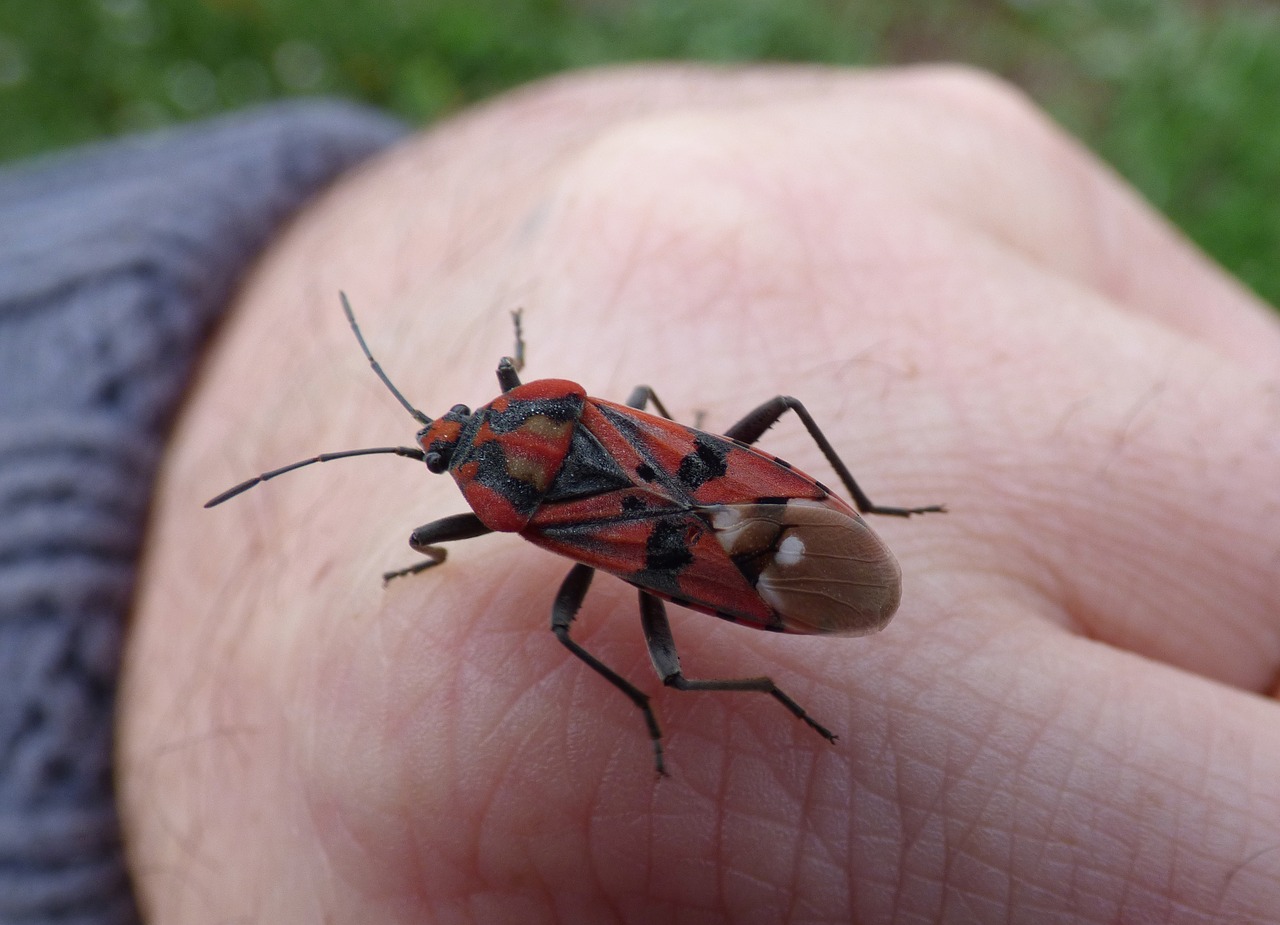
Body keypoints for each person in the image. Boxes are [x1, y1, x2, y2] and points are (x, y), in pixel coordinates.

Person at [17, 65, 1280, 923]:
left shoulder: (519, 494)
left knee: (639, 658)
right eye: (450, 452)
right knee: (760, 433)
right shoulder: (560, 410)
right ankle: (861, 532)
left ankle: (831, 577)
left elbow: (492, 521)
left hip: (703, 557)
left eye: (451, 444)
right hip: (711, 493)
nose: (452, 440)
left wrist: (431, 546)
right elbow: (532, 401)